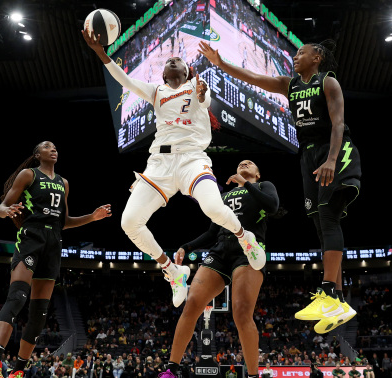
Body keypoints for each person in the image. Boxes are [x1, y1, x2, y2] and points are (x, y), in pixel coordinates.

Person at [81, 28, 267, 308]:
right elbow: (125, 80)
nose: (172, 60)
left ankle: (245, 238)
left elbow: (205, 102)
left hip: (193, 159)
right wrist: (101, 53)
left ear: (187, 70)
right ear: (164, 74)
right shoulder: (156, 92)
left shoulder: (197, 86)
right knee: (129, 222)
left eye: (178, 59)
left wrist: (202, 93)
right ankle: (172, 270)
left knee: (214, 210)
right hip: (159, 164)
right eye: (168, 61)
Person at [198, 38, 360, 333]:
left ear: (318, 57)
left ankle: (329, 293)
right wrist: (220, 64)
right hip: (309, 155)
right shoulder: (290, 84)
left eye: (301, 53)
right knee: (320, 225)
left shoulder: (328, 82)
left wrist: (332, 160)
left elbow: (338, 124)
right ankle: (338, 302)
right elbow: (254, 78)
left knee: (329, 216)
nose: (296, 57)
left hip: (333, 150)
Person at [0, 141, 113, 378]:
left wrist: (92, 217)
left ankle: (18, 371)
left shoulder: (64, 182)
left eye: (54, 147)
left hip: (54, 243)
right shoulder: (28, 174)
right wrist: (7, 211)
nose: (53, 149)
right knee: (17, 298)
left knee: (39, 312)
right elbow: (2, 207)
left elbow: (64, 221)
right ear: (37, 154)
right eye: (47, 146)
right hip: (32, 237)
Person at [160, 160, 279, 378]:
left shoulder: (263, 186)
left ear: (258, 173)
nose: (244, 163)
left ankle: (253, 375)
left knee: (242, 313)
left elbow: (273, 206)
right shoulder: (223, 197)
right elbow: (212, 232)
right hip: (220, 250)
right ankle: (171, 370)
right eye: (241, 163)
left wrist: (247, 184)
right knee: (192, 303)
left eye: (250, 163)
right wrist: (186, 247)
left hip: (249, 250)